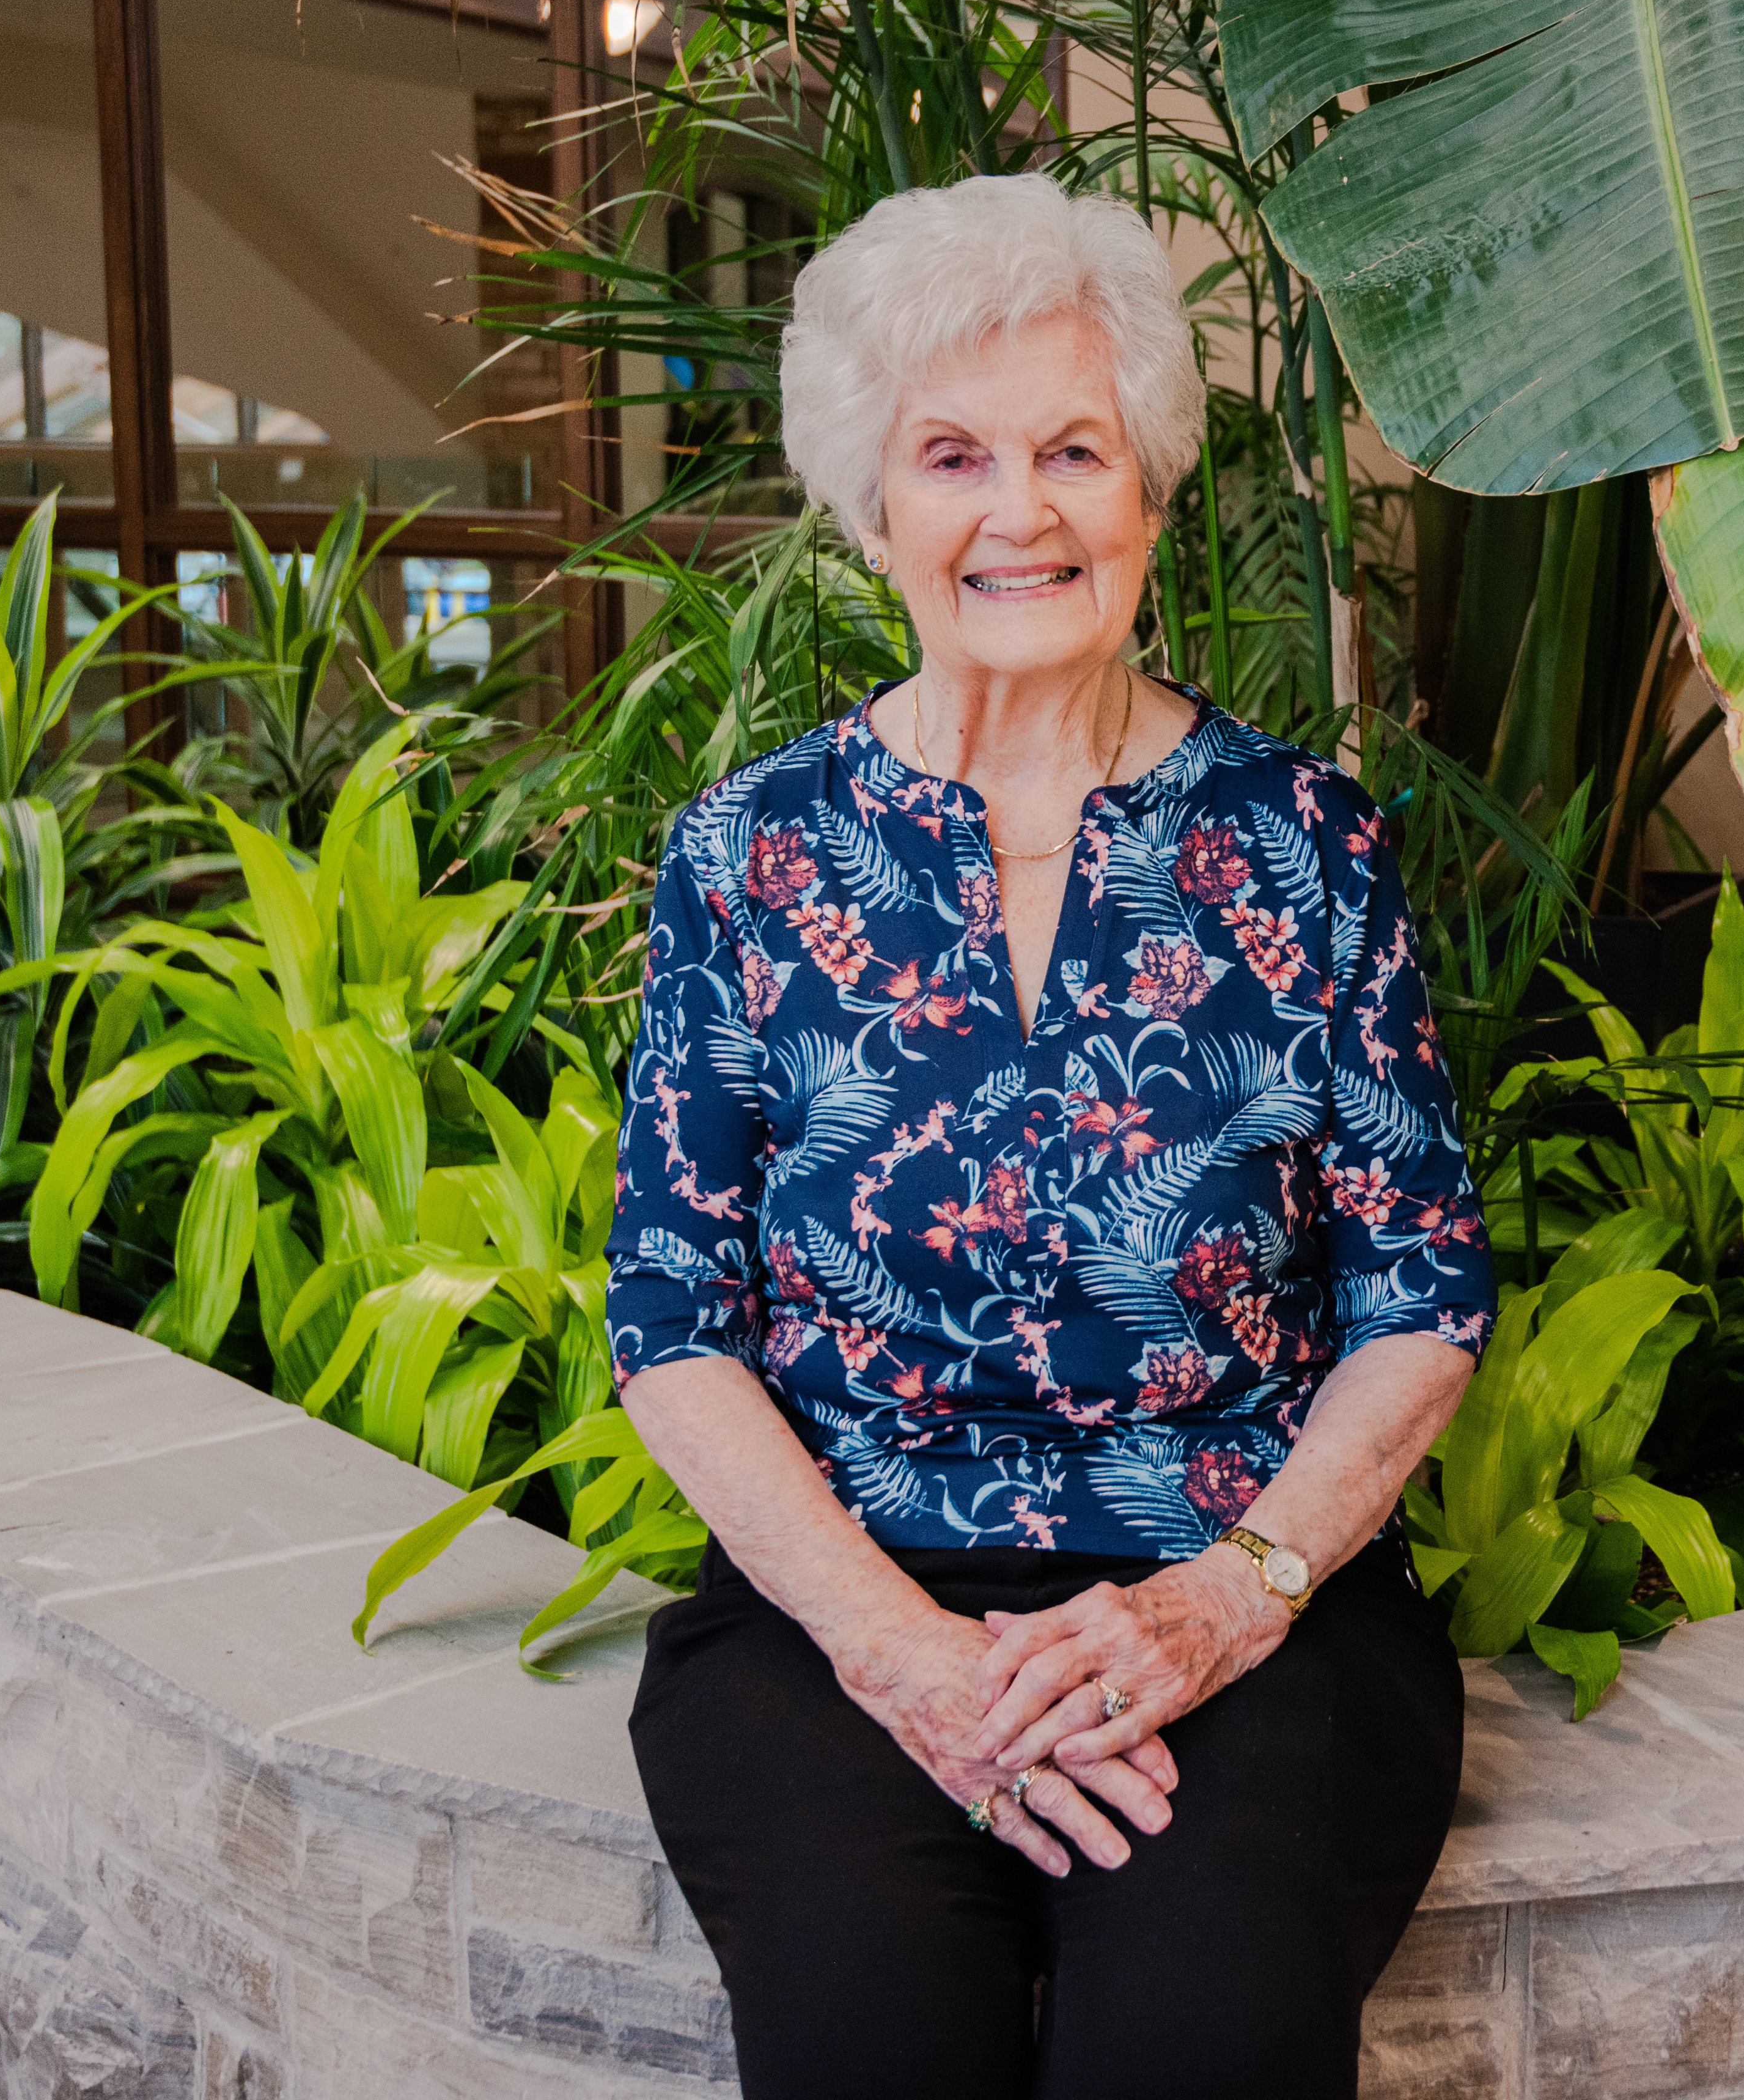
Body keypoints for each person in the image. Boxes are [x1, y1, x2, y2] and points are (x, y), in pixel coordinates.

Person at [610, 171, 1491, 2100]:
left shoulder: (1300, 846)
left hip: (1242, 1605)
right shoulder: (749, 858)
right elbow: (672, 1319)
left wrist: (1220, 1602)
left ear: (1150, 492)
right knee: (867, 2047)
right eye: (953, 456)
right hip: (848, 1605)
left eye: (1073, 450)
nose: (1020, 510)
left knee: (1201, 2049)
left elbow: (1420, 1295)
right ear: (874, 513)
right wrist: (907, 1656)